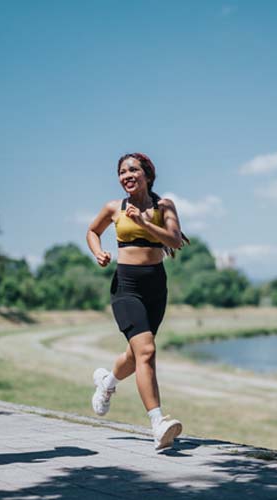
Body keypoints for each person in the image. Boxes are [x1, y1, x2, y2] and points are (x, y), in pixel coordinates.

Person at [86, 152, 187, 451]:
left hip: (156, 285)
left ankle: (107, 383)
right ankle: (158, 423)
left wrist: (144, 223)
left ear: (147, 174)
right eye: (121, 172)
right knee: (147, 351)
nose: (127, 175)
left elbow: (175, 240)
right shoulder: (113, 208)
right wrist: (98, 252)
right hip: (126, 287)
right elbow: (93, 231)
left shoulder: (163, 206)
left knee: (135, 355)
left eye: (133, 170)